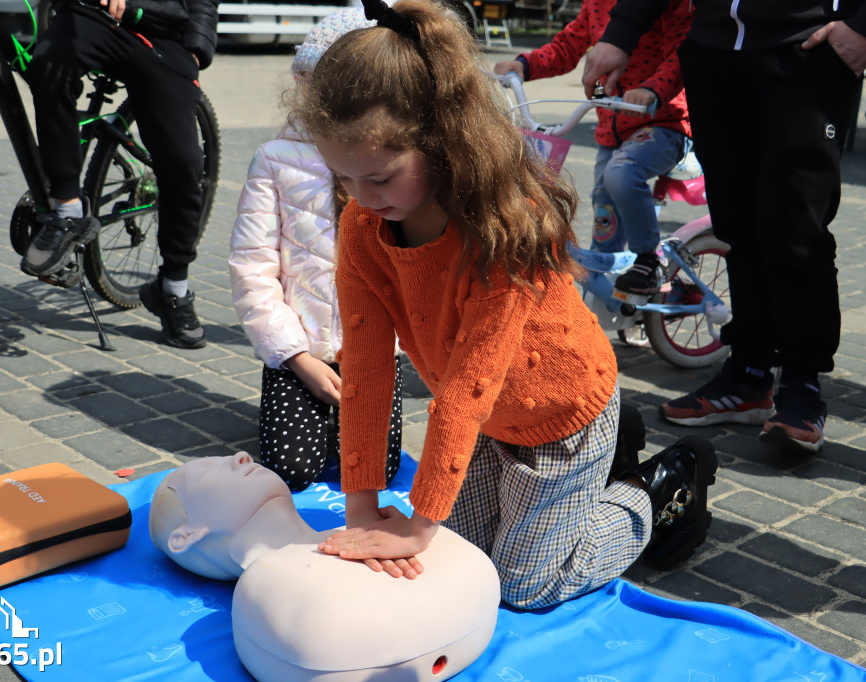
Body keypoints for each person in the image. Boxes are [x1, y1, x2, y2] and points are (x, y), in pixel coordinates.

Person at [288, 0, 718, 609]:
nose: (360, 197)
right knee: (464, 559)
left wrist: (416, 524)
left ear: (437, 141)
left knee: (522, 585)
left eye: (380, 178)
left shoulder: (500, 228)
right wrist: (363, 508)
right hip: (496, 420)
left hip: (564, 412)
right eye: (343, 177)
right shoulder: (364, 226)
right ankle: (593, 481)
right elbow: (366, 366)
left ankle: (655, 488)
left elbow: (468, 383)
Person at [581, 0, 866, 453]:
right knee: (737, 225)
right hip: (713, 52)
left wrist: (861, 26)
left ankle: (801, 385)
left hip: (806, 49)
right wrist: (620, 34)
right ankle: (749, 373)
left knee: (796, 227)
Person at [229, 9, 403, 493]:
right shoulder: (275, 160)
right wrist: (295, 356)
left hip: (371, 349)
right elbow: (252, 268)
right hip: (298, 349)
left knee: (376, 471)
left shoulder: (393, 160)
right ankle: (299, 398)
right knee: (293, 470)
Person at [148, 452, 502, 682]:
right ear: (186, 535)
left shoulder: (279, 597)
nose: (241, 456)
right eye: (210, 470)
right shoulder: (273, 593)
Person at [22, 0, 217, 349]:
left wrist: (197, 48)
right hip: (90, 17)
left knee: (185, 164)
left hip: (162, 33)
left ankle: (173, 287)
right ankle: (67, 211)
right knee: (47, 64)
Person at [494, 0, 692, 294]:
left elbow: (682, 53)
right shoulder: (595, 4)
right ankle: (609, 296)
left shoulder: (661, 5)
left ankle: (649, 260)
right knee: (603, 216)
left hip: (662, 123)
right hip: (612, 133)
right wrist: (523, 65)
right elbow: (567, 47)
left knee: (621, 174)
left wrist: (653, 89)